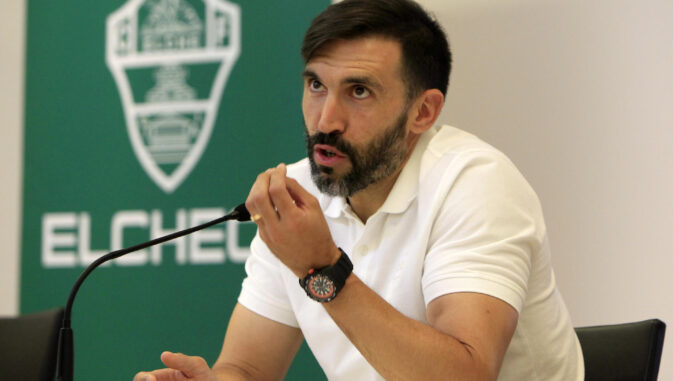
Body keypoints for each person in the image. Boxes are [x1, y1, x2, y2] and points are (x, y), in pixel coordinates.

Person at [135, 0, 584, 380]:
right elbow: (248, 367)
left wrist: (321, 269)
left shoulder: (475, 184)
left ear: (423, 112)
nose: (326, 120)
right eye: (316, 86)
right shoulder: (297, 195)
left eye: (360, 91)